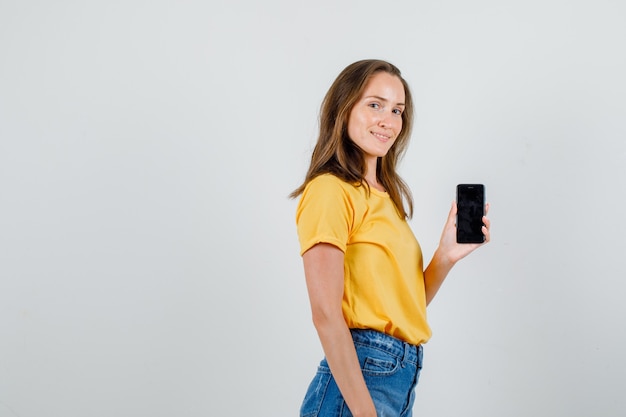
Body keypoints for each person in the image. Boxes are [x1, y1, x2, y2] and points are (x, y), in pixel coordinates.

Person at [290, 59, 491, 417]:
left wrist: (444, 257)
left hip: (399, 378)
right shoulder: (330, 190)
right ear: (343, 107)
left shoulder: (386, 198)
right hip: (361, 379)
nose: (389, 120)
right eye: (374, 105)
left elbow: (401, 308)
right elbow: (325, 314)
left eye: (397, 110)